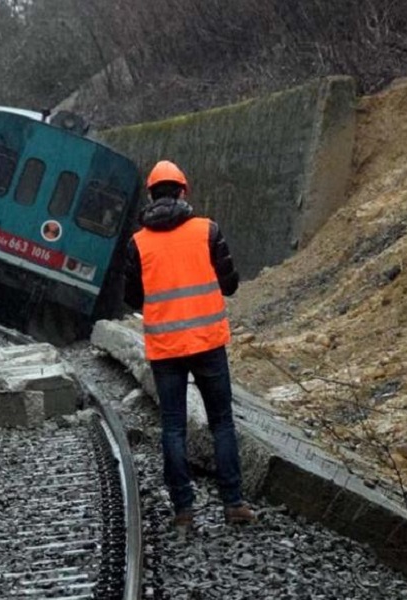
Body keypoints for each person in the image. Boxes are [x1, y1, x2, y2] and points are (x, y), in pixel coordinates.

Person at [124, 160, 256, 530]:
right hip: (208, 342)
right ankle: (233, 503)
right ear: (183, 192)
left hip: (166, 348)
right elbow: (230, 284)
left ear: (151, 195)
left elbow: (131, 297)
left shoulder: (138, 243)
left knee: (173, 427)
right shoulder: (207, 231)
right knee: (222, 422)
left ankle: (183, 509)